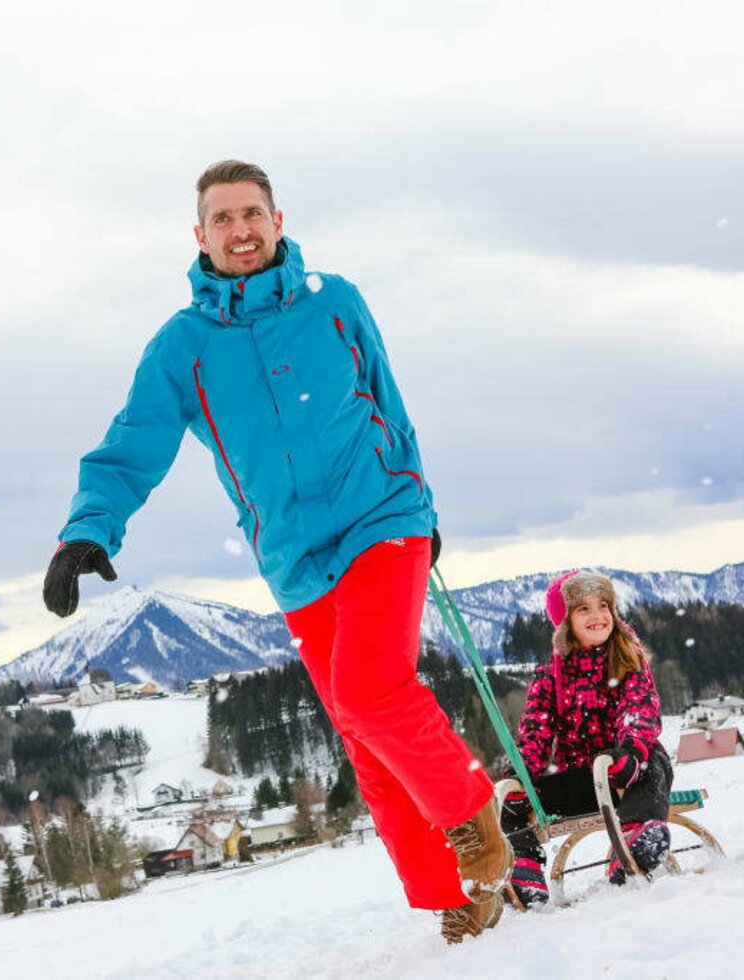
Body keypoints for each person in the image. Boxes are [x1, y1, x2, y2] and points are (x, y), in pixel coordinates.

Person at [43, 160, 511, 942]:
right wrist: (88, 530)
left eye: (253, 213)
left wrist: (420, 505)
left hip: (381, 517)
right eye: (223, 219)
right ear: (200, 236)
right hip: (295, 558)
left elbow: (388, 403)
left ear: (278, 220)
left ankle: (470, 809)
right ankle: (452, 900)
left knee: (369, 690)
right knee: (364, 741)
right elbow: (132, 446)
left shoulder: (337, 303)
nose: (241, 230)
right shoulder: (182, 347)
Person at [501, 570, 673, 908]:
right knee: (511, 795)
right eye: (583, 609)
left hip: (628, 772)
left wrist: (629, 753)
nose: (598, 616)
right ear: (565, 622)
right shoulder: (550, 675)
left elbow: (639, 709)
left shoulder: (627, 659)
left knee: (654, 761)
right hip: (586, 780)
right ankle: (522, 866)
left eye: (603, 605)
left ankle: (637, 831)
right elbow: (536, 730)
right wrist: (521, 774)